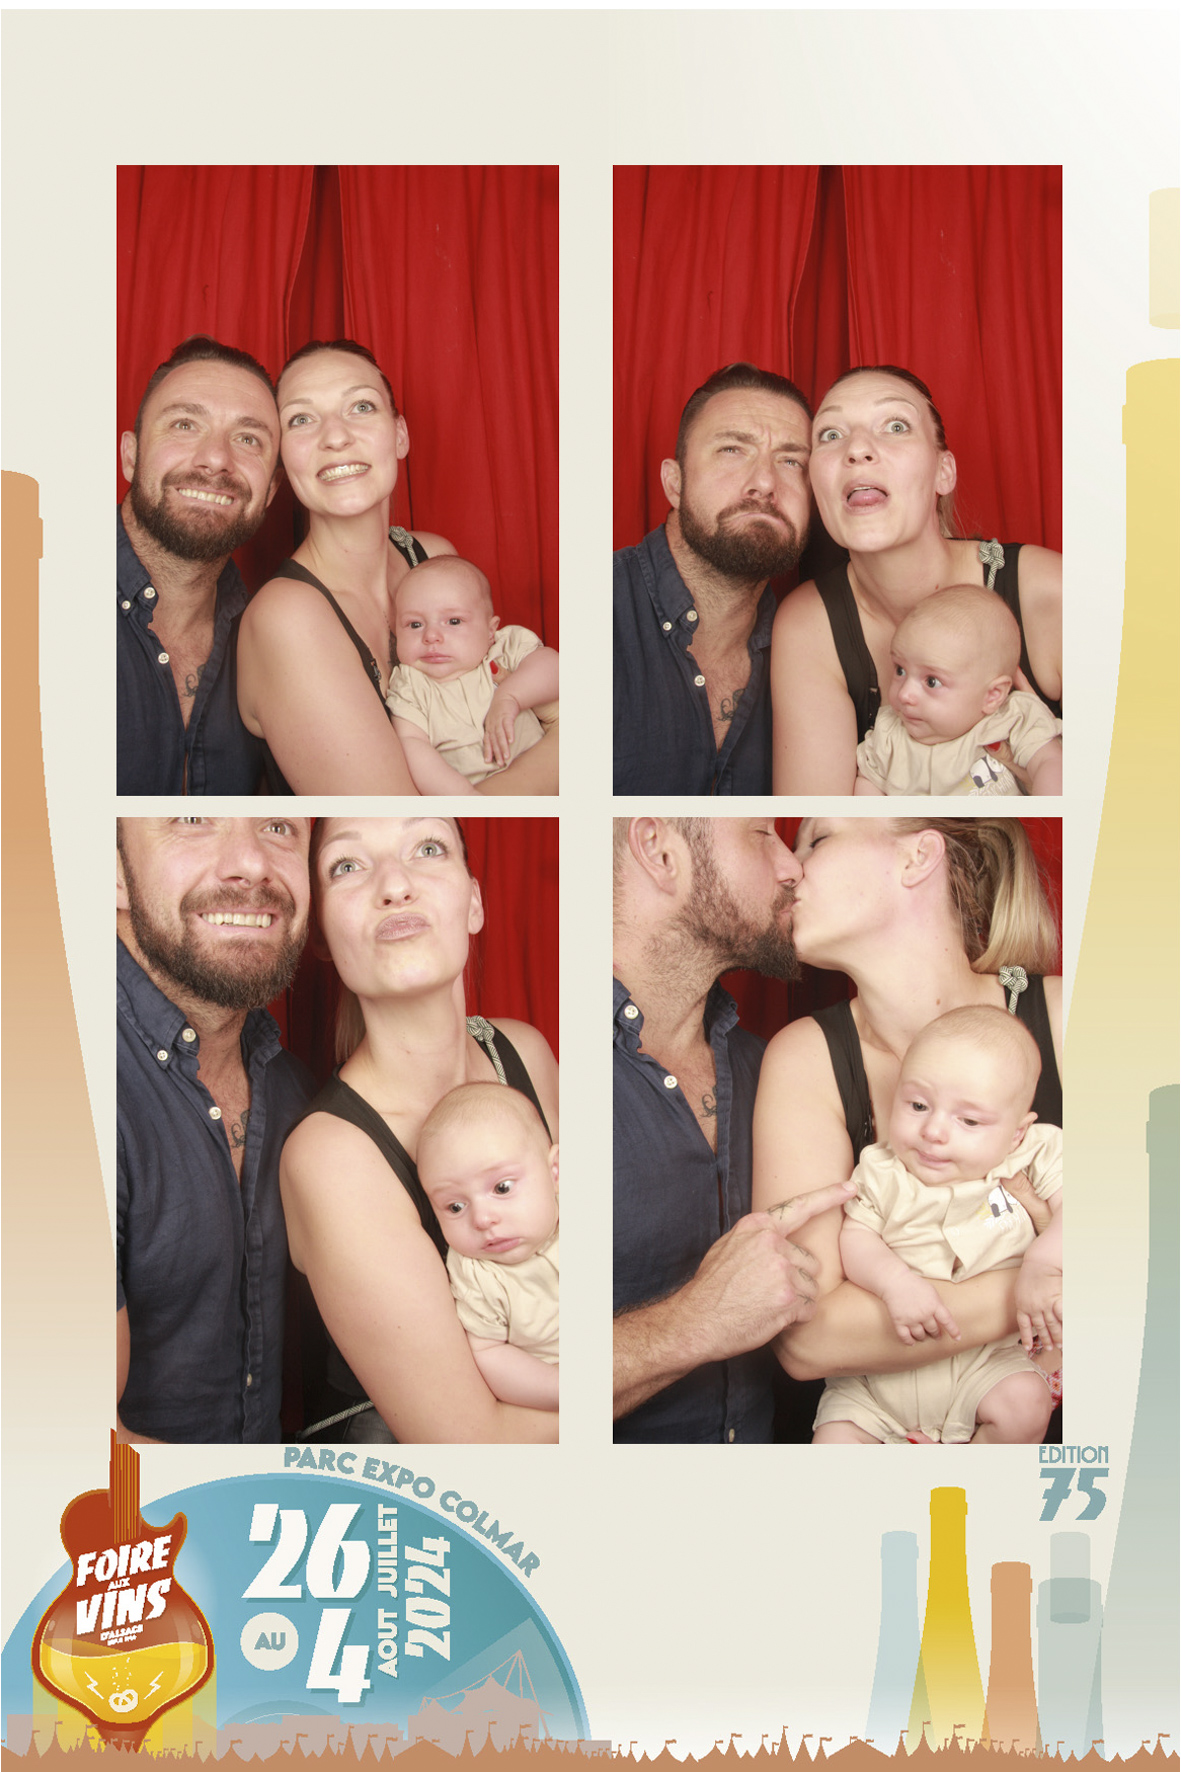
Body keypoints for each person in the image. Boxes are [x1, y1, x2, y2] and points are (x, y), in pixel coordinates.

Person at [751, 817, 1063, 1432]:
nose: (787, 867)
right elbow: (808, 1337)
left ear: (918, 857)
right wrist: (1046, 1283)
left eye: (818, 839)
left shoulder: (1069, 1010)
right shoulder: (803, 1055)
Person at [280, 816, 560, 1443]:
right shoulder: (331, 1156)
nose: (395, 886)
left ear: (475, 903)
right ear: (320, 931)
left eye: (427, 848)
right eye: (347, 866)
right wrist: (655, 1357)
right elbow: (475, 1445)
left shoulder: (525, 1053)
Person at [612, 816, 859, 1443]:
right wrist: (694, 1321)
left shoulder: (769, 1066)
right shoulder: (552, 1070)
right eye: (761, 834)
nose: (792, 866)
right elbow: (484, 1391)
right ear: (658, 851)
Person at [236, 339, 558, 795]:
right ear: (282, 458)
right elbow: (404, 816)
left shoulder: (431, 555)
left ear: (400, 435)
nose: (335, 437)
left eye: (361, 407)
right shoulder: (287, 618)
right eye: (301, 419)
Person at [771, 365, 1063, 794]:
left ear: (944, 472)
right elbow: (824, 821)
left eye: (895, 426)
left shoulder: (1053, 592)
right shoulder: (806, 625)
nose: (857, 449)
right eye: (831, 434)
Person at [116, 816, 314, 1442]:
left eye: (279, 828)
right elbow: (74, 1458)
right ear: (113, 871)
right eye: (193, 822)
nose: (251, 864)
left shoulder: (295, 1088)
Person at [812, 1006, 1062, 1444]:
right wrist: (894, 1283)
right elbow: (856, 1235)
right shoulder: (882, 1170)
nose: (933, 1131)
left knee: (1026, 1403)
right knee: (834, 1441)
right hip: (873, 1388)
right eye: (918, 1105)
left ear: (1017, 1133)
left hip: (984, 1368)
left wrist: (1044, 1262)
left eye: (969, 1120)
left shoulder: (1033, 1154)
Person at [614, 364, 812, 795]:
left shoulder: (813, 650)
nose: (765, 483)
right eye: (732, 450)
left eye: (791, 461)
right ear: (674, 483)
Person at [117, 337, 281, 794]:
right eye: (185, 424)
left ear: (270, 491)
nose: (216, 459)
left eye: (248, 439)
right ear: (130, 456)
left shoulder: (269, 641)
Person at [417, 1082, 559, 1411]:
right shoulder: (475, 1274)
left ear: (555, 1172)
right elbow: (489, 1353)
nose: (482, 1219)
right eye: (455, 1207)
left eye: (502, 1188)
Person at [854, 585, 1063, 796]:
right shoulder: (888, 736)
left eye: (932, 682)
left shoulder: (1013, 718)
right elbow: (867, 782)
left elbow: (1051, 763)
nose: (904, 694)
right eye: (900, 670)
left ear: (992, 696)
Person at [387, 556, 559, 793]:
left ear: (490, 630)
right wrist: (465, 797)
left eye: (453, 621)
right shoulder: (411, 686)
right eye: (415, 624)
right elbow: (412, 744)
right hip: (476, 790)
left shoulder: (501, 649)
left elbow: (555, 668)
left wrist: (510, 696)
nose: (431, 636)